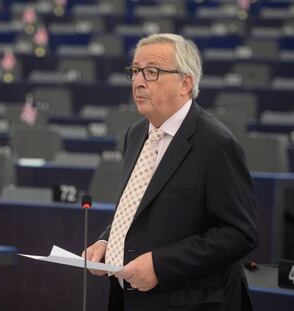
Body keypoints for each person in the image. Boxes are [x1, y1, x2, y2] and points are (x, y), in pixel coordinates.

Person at [84, 33, 258, 311]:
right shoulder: (136, 133)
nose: (138, 81)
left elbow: (240, 233)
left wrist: (160, 265)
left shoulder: (216, 143)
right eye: (135, 71)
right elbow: (137, 205)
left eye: (152, 72)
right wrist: (108, 240)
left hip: (190, 302)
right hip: (128, 297)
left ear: (185, 83)